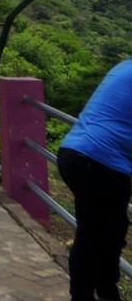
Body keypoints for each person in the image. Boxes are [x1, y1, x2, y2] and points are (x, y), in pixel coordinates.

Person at [57, 59, 132, 301]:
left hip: (77, 154)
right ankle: (85, 296)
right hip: (100, 162)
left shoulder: (125, 66)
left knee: (112, 230)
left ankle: (106, 292)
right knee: (93, 237)